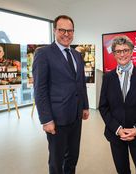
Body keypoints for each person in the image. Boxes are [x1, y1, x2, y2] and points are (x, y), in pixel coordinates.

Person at [32, 15, 89, 174]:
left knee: (73, 156)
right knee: (56, 161)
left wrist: (85, 106)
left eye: (69, 31)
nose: (66, 34)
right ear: (55, 30)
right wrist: (46, 119)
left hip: (76, 116)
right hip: (56, 119)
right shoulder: (43, 54)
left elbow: (80, 83)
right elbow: (40, 89)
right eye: (62, 30)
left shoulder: (77, 54)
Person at [99, 35, 136, 174]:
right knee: (122, 170)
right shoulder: (107, 77)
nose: (122, 54)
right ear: (113, 54)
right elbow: (103, 107)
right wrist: (118, 129)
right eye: (118, 51)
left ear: (131, 51)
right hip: (116, 135)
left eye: (125, 50)